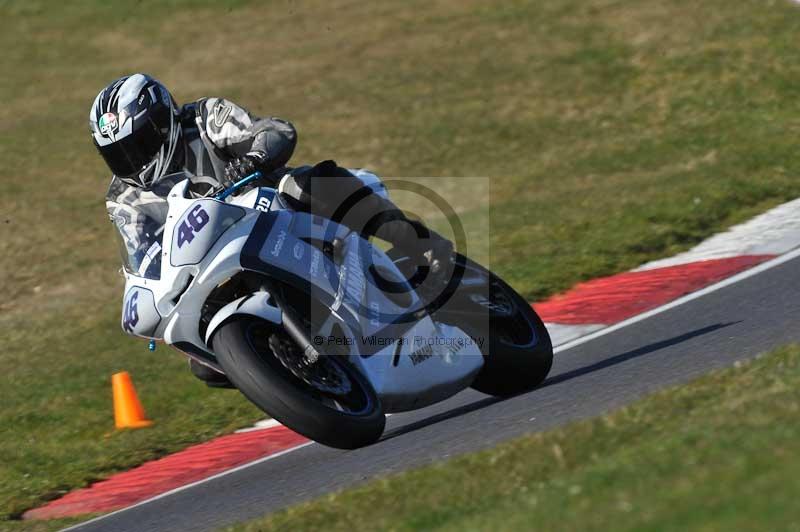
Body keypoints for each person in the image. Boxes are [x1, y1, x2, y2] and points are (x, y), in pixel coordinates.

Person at [91, 73, 452, 386]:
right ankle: (292, 378)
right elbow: (141, 250)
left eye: (138, 145)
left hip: (271, 208)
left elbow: (274, 130)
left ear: (162, 123)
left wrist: (254, 158)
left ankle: (417, 243)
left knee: (307, 184)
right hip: (211, 261)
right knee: (205, 368)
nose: (133, 161)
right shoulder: (123, 198)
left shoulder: (203, 118)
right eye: (119, 154)